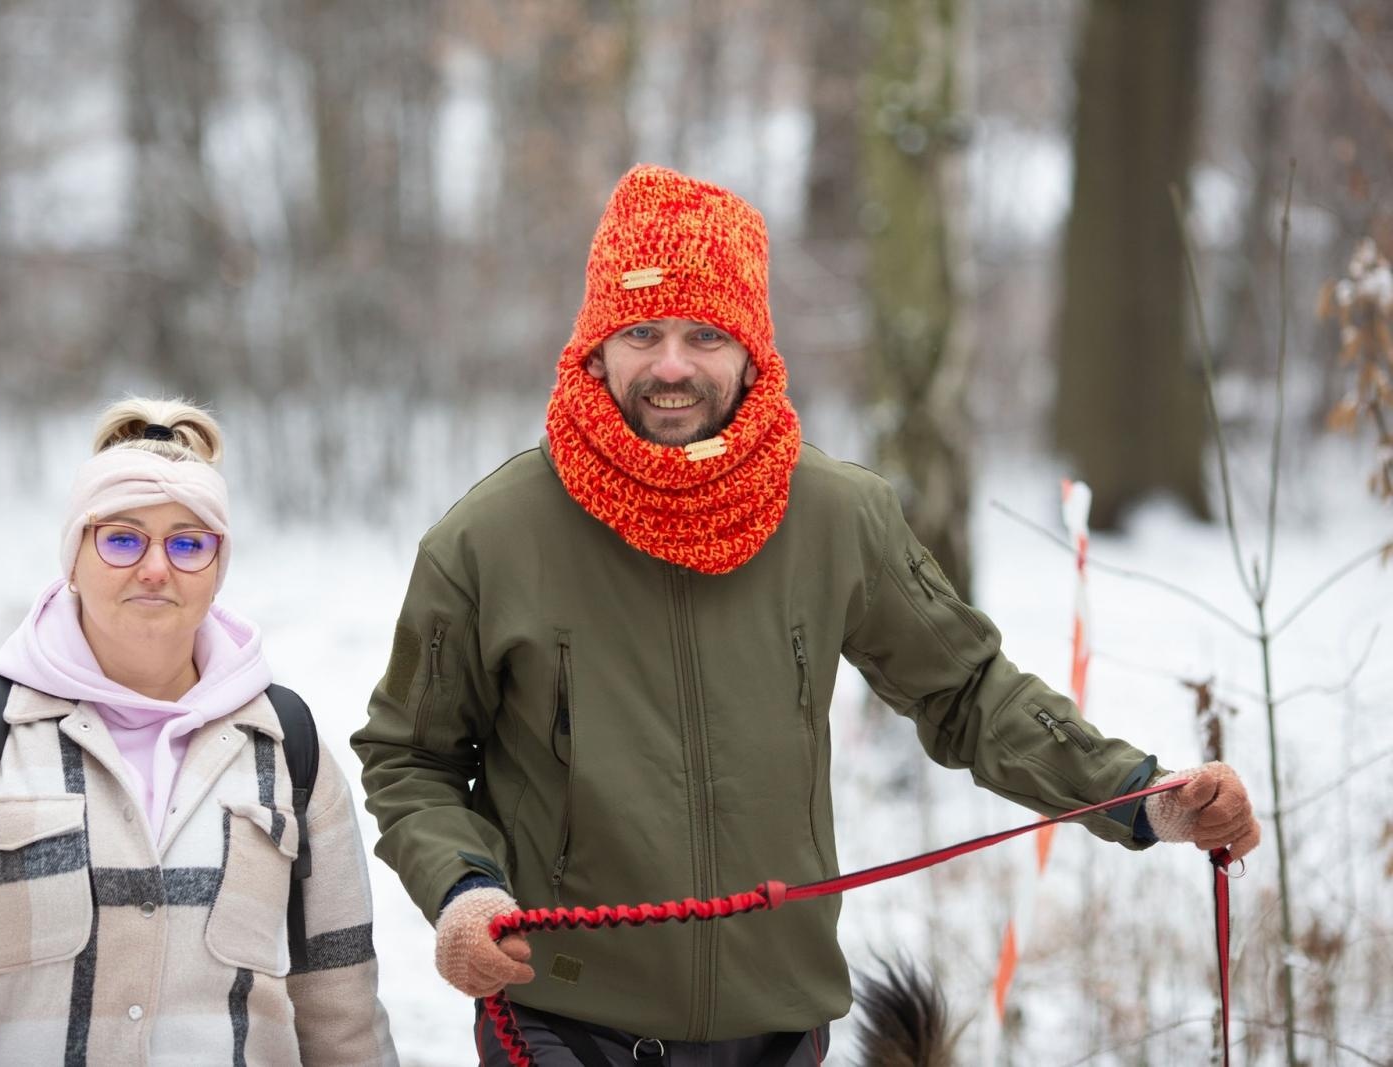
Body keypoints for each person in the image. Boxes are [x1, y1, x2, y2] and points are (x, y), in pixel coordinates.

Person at [351, 165, 1261, 1065]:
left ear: (752, 349)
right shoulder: (489, 539)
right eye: (642, 332)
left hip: (780, 1028)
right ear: (595, 345)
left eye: (706, 334)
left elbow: (970, 694)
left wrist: (1147, 797)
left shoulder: (836, 515)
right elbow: (410, 755)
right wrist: (463, 889)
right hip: (561, 1021)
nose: (672, 366)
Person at [0, 398, 397, 1066]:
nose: (156, 567)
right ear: (73, 557)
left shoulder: (287, 750)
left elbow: (342, 1011)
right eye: (122, 538)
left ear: (218, 570)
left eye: (188, 542)